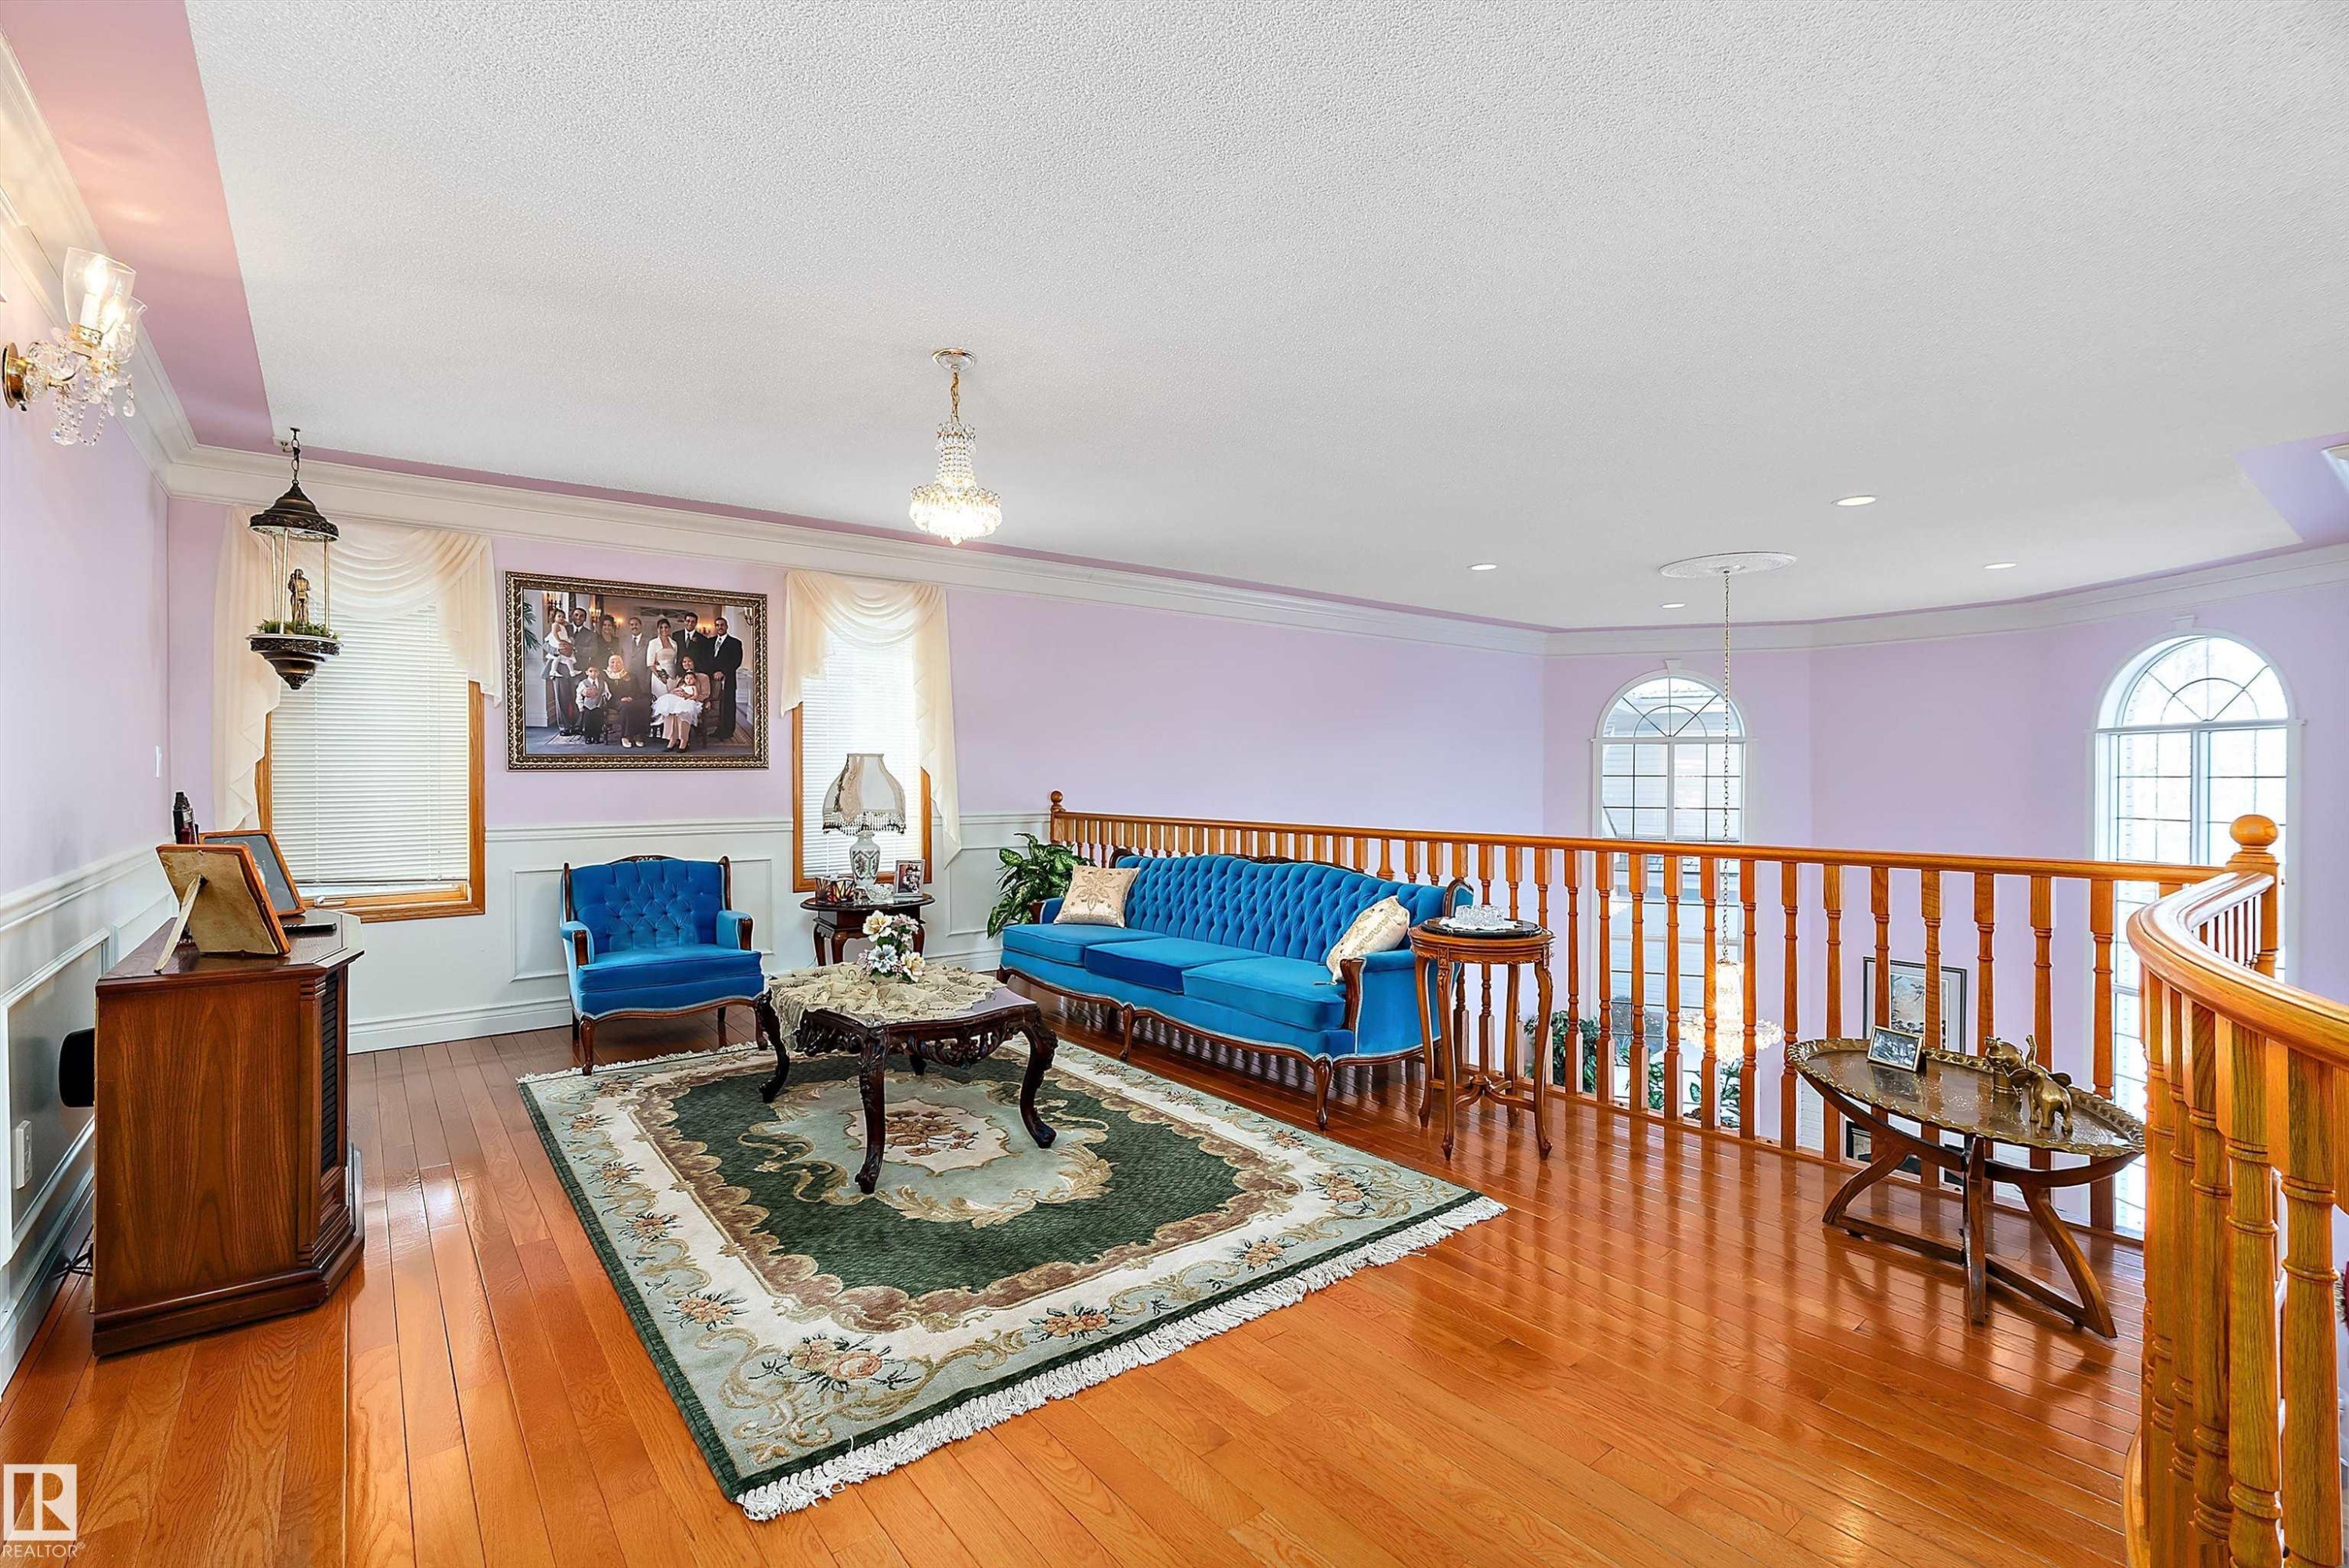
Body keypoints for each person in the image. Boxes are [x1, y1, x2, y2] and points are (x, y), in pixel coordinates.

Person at [651, 653, 708, 752]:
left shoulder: (703, 677)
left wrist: (689, 697)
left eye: (689, 661)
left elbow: (705, 694)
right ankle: (672, 739)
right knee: (670, 709)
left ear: (694, 662)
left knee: (684, 710)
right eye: (684, 662)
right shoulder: (680, 677)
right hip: (680, 700)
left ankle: (684, 740)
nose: (687, 664)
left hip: (693, 701)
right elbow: (673, 690)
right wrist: (677, 692)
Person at [706, 615, 743, 741]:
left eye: (722, 625)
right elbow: (708, 660)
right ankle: (718, 729)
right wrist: (713, 673)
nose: (720, 627)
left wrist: (723, 672)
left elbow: (736, 661)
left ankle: (727, 731)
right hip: (713, 679)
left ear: (727, 627)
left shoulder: (735, 643)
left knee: (728, 705)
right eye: (717, 625)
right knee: (716, 705)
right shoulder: (710, 642)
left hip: (728, 679)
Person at [543, 615, 579, 734]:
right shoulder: (555, 628)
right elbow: (545, 645)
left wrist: (572, 648)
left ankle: (578, 726)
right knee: (562, 699)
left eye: (582, 616)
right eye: (576, 615)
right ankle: (565, 727)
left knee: (577, 698)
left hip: (576, 668)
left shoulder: (570, 629)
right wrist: (557, 651)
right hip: (559, 669)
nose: (579, 618)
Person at [606, 653, 646, 748]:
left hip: (630, 699)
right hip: (613, 700)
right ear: (608, 663)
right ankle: (626, 736)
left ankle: (638, 735)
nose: (615, 665)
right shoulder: (605, 676)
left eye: (618, 662)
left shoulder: (631, 676)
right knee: (626, 706)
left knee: (640, 704)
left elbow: (638, 691)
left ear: (623, 664)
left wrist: (631, 698)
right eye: (613, 662)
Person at [575, 665, 609, 744]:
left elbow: (607, 693)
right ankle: (588, 738)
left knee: (598, 722)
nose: (593, 673)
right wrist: (580, 706)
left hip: (598, 706)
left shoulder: (602, 683)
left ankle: (596, 738)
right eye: (591, 671)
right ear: (587, 672)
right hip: (588, 707)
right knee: (588, 723)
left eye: (595, 671)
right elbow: (579, 695)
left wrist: (603, 695)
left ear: (599, 673)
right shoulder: (583, 683)